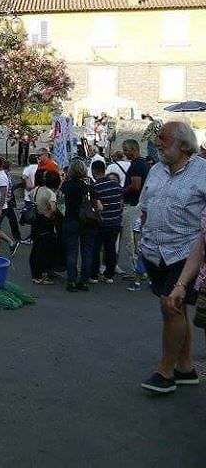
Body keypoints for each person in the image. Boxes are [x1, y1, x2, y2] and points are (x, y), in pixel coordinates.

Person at [136, 121, 206, 393]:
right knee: (177, 309)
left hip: (185, 253)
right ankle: (186, 367)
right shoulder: (155, 170)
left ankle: (165, 372)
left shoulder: (202, 172)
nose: (158, 142)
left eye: (164, 138)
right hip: (155, 252)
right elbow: (145, 205)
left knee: (170, 306)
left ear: (184, 145)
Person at [60, 158, 102, 292]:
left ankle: (71, 280)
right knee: (87, 252)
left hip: (71, 220)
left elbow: (59, 204)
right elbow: (99, 206)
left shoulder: (66, 186)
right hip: (88, 222)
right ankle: (84, 281)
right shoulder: (89, 187)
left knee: (71, 252)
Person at [121, 139, 150, 282]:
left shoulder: (137, 165)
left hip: (133, 205)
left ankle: (135, 271)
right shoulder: (143, 163)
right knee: (139, 239)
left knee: (130, 239)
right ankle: (141, 270)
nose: (125, 153)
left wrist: (122, 191)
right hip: (141, 206)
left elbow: (136, 185)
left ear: (133, 149)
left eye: (126, 150)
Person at [90, 160, 122, 284]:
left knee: (96, 248)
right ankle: (109, 274)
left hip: (100, 222)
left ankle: (94, 275)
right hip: (115, 221)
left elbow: (94, 205)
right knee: (110, 249)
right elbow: (120, 204)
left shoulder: (94, 187)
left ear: (94, 171)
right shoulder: (117, 186)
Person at [29, 171, 60, 284]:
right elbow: (53, 208)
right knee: (45, 249)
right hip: (46, 222)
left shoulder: (37, 189)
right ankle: (40, 275)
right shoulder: (51, 193)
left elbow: (29, 196)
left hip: (36, 220)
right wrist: (49, 215)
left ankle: (35, 274)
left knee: (36, 248)